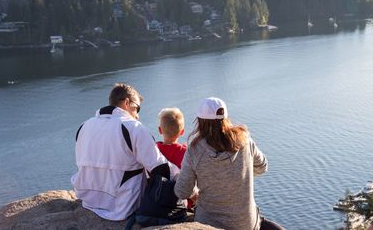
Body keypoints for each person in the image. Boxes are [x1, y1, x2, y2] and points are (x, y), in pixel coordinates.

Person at [71, 83, 179, 221]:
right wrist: (188, 187)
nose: (137, 115)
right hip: (122, 207)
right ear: (127, 102)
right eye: (137, 109)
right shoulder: (133, 127)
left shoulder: (84, 126)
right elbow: (161, 168)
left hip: (89, 202)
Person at [174, 97, 284, 230]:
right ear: (225, 118)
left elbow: (181, 192)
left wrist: (194, 191)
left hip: (208, 225)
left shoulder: (195, 150)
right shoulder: (244, 140)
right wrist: (238, 174)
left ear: (200, 121)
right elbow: (263, 166)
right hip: (246, 224)